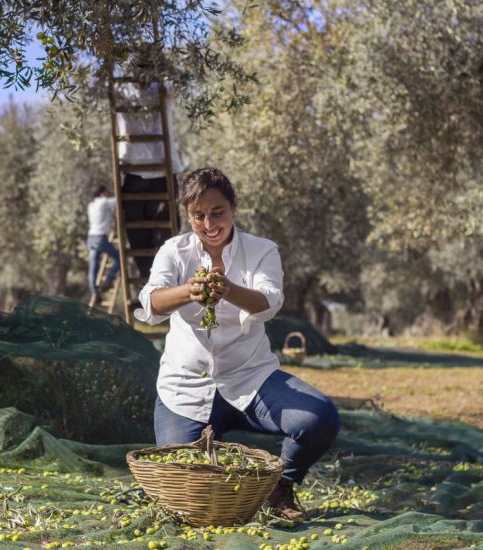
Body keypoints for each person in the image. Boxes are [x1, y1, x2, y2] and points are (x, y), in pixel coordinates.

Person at [134, 167, 340, 520]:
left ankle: (281, 487)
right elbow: (151, 303)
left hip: (251, 378)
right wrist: (190, 290)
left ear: (234, 206)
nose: (209, 223)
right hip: (185, 387)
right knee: (183, 481)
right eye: (198, 215)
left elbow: (269, 302)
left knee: (318, 418)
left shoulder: (261, 250)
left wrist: (228, 289)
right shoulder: (174, 251)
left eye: (217, 212)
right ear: (188, 215)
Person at [114, 62, 183, 278]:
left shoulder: (162, 88)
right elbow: (94, 91)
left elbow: (180, 84)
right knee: (138, 238)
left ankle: (165, 282)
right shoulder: (120, 90)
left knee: (167, 237)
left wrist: (164, 62)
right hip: (133, 174)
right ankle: (150, 286)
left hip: (163, 172)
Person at [87, 185, 120, 304]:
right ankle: (109, 279)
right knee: (120, 258)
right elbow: (118, 199)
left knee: (93, 267)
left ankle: (95, 292)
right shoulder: (104, 202)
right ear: (102, 193)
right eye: (106, 192)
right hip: (100, 237)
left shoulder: (91, 205)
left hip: (91, 238)